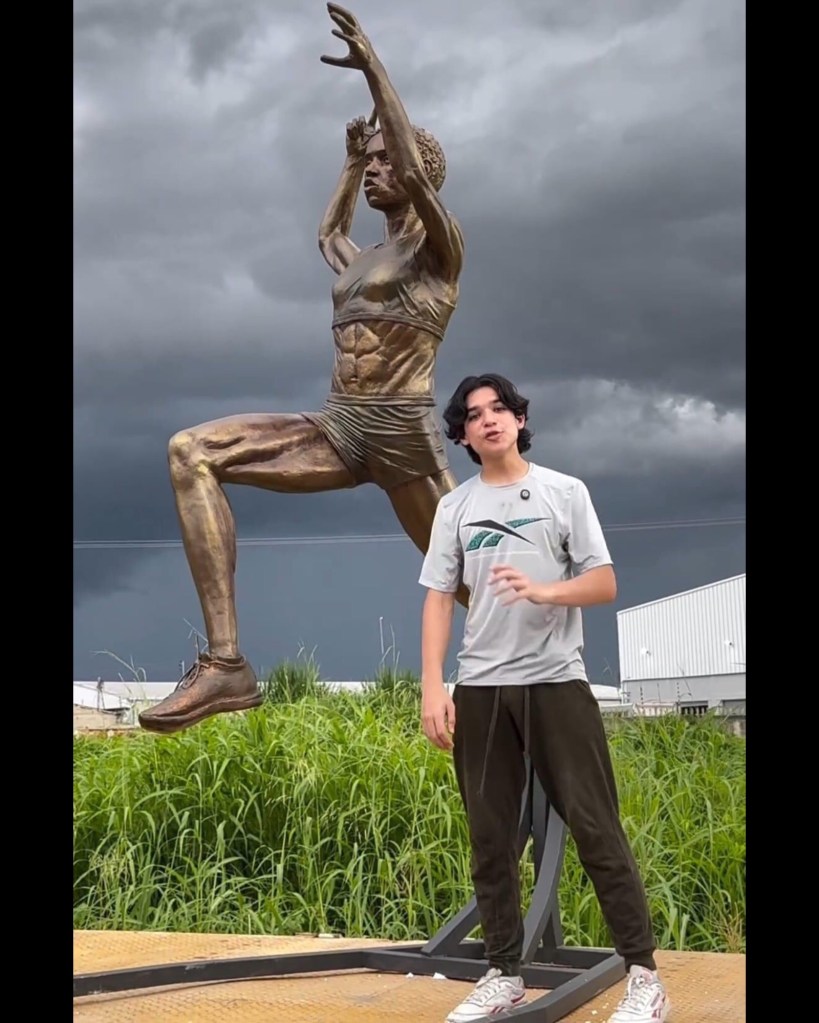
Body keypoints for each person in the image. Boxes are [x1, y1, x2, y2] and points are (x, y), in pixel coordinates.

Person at [138, 4, 468, 734]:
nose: (379, 169)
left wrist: (373, 68)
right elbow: (327, 234)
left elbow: (414, 170)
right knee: (190, 451)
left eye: (386, 161)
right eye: (373, 162)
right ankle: (226, 663)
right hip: (340, 426)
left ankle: (541, 663)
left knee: (479, 585)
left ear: (417, 173)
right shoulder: (362, 260)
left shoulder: (437, 250)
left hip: (401, 432)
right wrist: (348, 163)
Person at [418, 373, 670, 1023]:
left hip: (556, 681)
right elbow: (438, 598)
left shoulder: (564, 491)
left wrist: (544, 590)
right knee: (489, 837)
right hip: (480, 688)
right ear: (462, 435)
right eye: (474, 414)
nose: (489, 419)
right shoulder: (455, 507)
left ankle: (643, 976)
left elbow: (603, 582)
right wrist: (432, 685)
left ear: (520, 419)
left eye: (499, 408)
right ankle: (503, 974)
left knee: (594, 826)